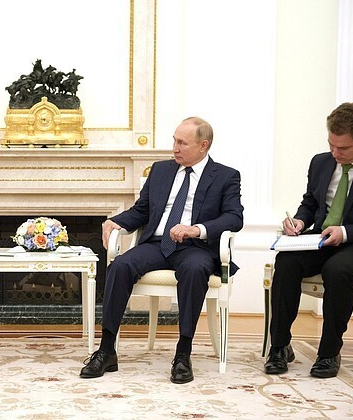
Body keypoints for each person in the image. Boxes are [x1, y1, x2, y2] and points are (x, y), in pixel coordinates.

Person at [81, 116, 243, 384]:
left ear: (203, 145)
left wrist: (197, 229)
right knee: (119, 266)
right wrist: (115, 221)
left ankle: (183, 354)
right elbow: (141, 211)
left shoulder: (226, 176)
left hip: (195, 248)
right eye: (174, 140)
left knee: (194, 270)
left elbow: (234, 217)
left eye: (182, 143)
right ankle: (107, 350)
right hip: (157, 244)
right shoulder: (160, 170)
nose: (175, 148)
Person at [265, 102, 353, 378]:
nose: (335, 153)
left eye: (343, 148)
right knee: (286, 261)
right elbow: (310, 202)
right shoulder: (321, 162)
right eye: (331, 145)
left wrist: (347, 232)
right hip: (320, 238)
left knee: (337, 271)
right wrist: (299, 221)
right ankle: (279, 346)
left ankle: (329, 352)